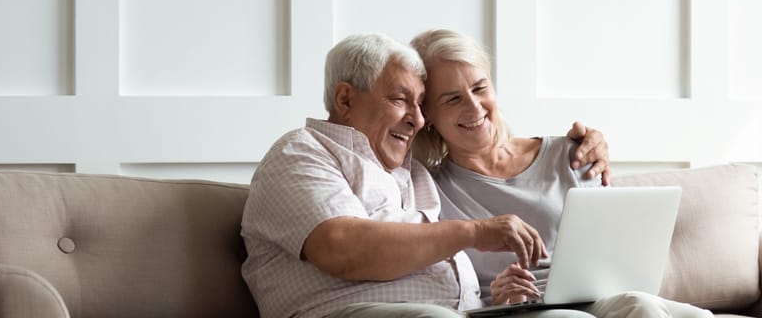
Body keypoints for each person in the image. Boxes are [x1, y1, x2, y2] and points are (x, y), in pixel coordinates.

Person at [241, 33, 606, 318]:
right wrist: (475, 231)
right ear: (345, 100)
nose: (417, 119)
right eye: (401, 99)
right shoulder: (303, 152)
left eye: (419, 104)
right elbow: (341, 247)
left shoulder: (412, 174)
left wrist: (502, 301)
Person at [410, 29, 713, 318]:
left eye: (479, 88)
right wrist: (495, 297)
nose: (475, 107)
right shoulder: (429, 189)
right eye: (452, 98)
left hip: (605, 298)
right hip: (520, 309)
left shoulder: (570, 154)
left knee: (657, 308)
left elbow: (612, 245)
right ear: (428, 115)